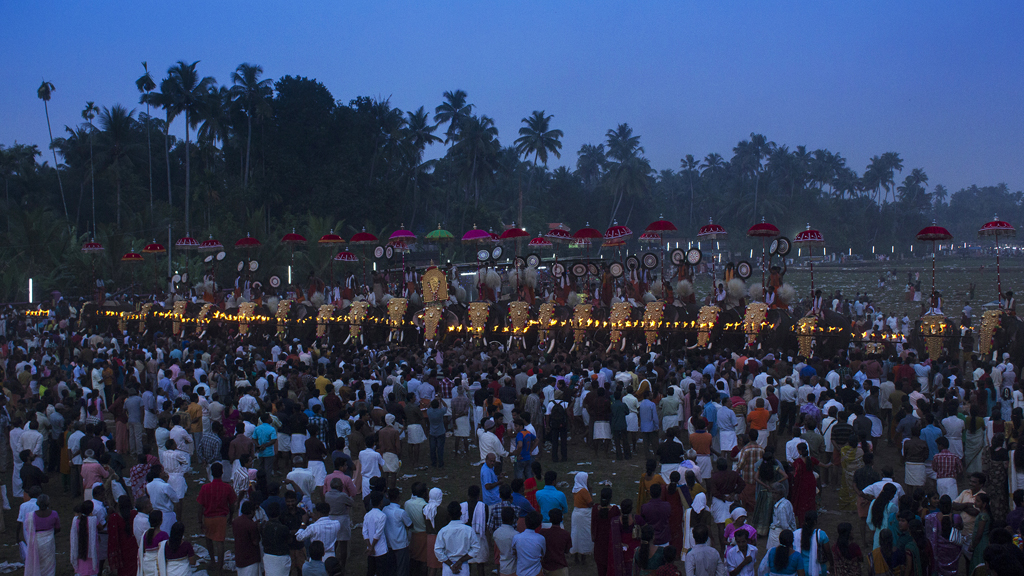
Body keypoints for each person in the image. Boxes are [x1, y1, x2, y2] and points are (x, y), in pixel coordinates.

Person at [197, 461, 236, 574]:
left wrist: (200, 521)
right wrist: (231, 516)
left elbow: (200, 506)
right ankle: (219, 566)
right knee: (220, 542)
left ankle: (213, 561)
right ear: (222, 473)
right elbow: (232, 504)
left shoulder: (205, 487)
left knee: (208, 539)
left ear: (211, 473)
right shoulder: (227, 487)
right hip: (221, 517)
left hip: (208, 517)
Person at [435, 500, 481, 576]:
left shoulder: (443, 531)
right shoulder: (468, 530)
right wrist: (460, 561)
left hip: (448, 569)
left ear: (448, 514)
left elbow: (438, 551)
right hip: (463, 567)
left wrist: (451, 565)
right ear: (460, 513)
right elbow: (476, 548)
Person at [24, 493, 60, 576]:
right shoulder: (54, 514)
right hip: (49, 540)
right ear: (48, 503)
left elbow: (27, 528)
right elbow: (58, 528)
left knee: (37, 561)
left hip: (36, 540)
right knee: (49, 562)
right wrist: (50, 533)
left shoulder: (30, 515)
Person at [106, 495, 138, 576]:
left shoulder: (114, 518)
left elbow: (111, 537)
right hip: (134, 547)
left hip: (121, 550)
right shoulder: (135, 514)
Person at [793, 512, 831, 576]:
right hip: (819, 569)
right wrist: (832, 564)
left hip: (801, 569)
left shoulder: (796, 534)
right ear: (815, 522)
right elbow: (828, 552)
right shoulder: (821, 535)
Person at [539, 508, 572, 575]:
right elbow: (566, 550)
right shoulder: (565, 534)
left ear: (550, 519)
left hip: (545, 567)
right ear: (561, 520)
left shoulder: (543, 533)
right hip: (560, 567)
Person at [512, 511, 546, 576]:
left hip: (520, 572)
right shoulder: (540, 539)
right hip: (536, 572)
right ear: (538, 524)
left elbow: (513, 553)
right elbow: (543, 554)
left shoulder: (516, 537)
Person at [569, 472, 594, 561]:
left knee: (576, 534)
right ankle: (583, 554)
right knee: (585, 534)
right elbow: (590, 503)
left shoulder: (575, 489)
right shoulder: (584, 491)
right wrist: (590, 491)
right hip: (584, 514)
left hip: (576, 513)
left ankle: (575, 554)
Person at [71, 501, 100, 576]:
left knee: (81, 568)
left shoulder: (76, 520)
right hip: (91, 551)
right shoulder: (94, 520)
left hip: (80, 550)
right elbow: (100, 527)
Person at [232, 501, 262, 576]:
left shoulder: (236, 521)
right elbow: (255, 541)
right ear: (252, 512)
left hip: (239, 557)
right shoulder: (251, 525)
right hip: (250, 559)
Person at [866, 483, 898, 551]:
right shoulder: (892, 507)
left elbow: (869, 520)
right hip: (889, 535)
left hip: (877, 534)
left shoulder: (874, 502)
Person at [137, 510, 166, 576]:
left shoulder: (145, 534)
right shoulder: (163, 535)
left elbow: (143, 550)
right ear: (161, 521)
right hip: (157, 566)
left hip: (146, 564)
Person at [968, 493, 991, 574]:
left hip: (981, 544)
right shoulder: (982, 515)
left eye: (978, 501)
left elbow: (979, 533)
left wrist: (973, 546)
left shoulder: (982, 516)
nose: (975, 503)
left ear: (984, 504)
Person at [494, 508, 519, 576]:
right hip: (514, 568)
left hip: (503, 566)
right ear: (513, 518)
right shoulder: (515, 535)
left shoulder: (496, 533)